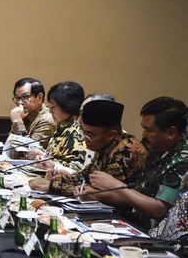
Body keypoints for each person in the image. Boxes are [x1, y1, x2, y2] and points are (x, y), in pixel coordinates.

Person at [78, 97, 188, 229]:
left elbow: (159, 209)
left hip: (156, 236)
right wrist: (95, 195)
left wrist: (115, 184)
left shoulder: (182, 161)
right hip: (132, 222)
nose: (144, 135)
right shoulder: (156, 152)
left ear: (171, 132)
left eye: (149, 130)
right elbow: (136, 195)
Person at [29, 98, 146, 196]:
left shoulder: (125, 150)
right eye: (83, 132)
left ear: (111, 135)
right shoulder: (103, 143)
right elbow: (85, 176)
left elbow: (102, 193)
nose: (84, 138)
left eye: (90, 134)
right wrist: (60, 178)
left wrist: (52, 187)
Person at [26, 81, 86, 171]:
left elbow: (77, 170)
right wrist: (43, 156)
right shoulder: (62, 126)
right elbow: (55, 157)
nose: (50, 111)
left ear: (66, 106)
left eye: (53, 107)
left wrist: (50, 162)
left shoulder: (76, 132)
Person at [8, 77, 55, 147]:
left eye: (25, 97)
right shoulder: (24, 114)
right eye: (17, 98)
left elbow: (30, 150)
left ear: (39, 98)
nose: (20, 102)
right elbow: (10, 145)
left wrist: (17, 121)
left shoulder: (47, 119)